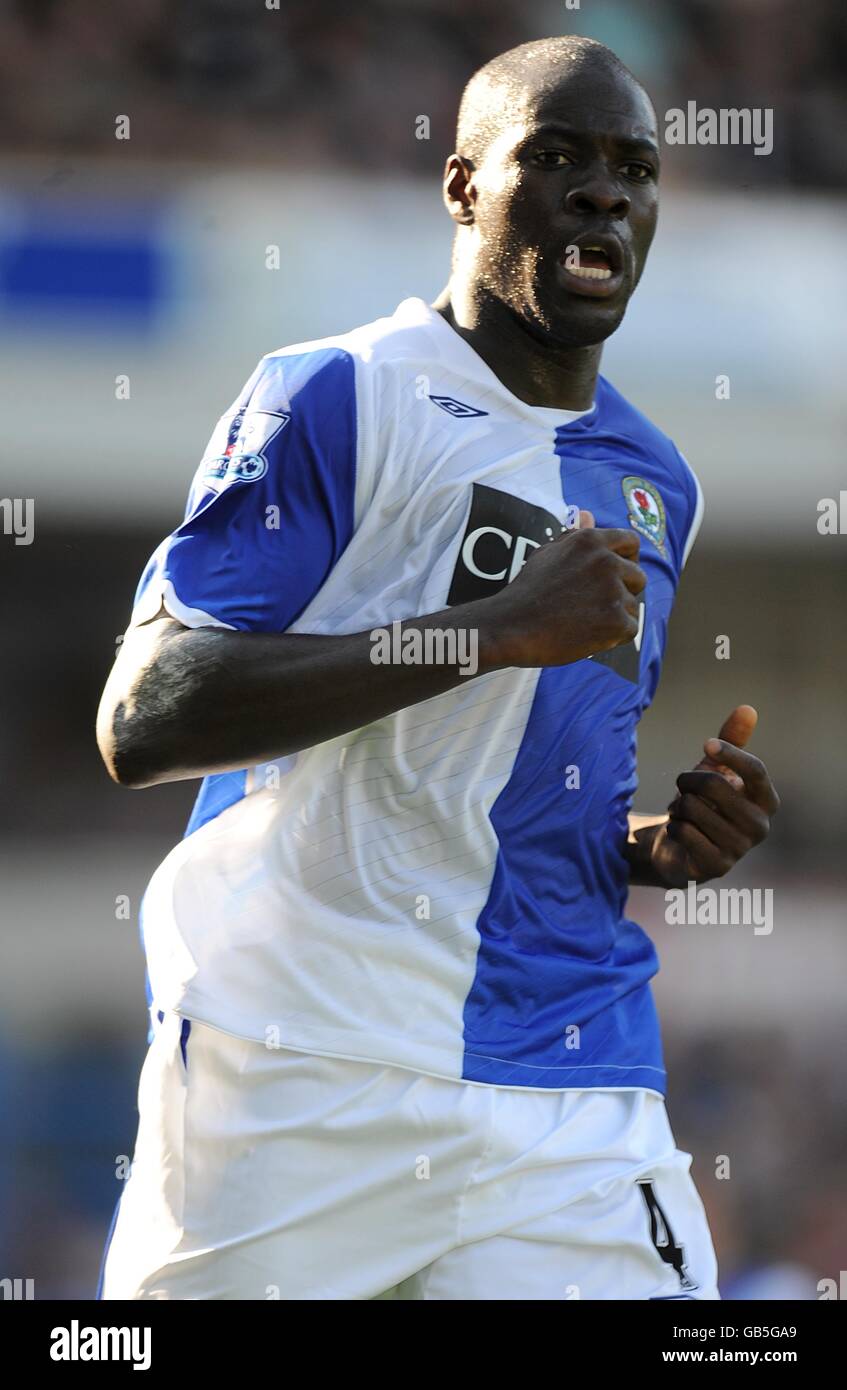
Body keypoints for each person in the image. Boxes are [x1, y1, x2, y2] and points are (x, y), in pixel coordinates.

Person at [96, 35, 778, 1300]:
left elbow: (482, 792)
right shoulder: (335, 396)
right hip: (302, 1065)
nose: (603, 193)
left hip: (567, 1081)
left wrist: (652, 844)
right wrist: (483, 631)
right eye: (557, 156)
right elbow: (145, 716)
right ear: (463, 185)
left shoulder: (655, 480)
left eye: (634, 168)